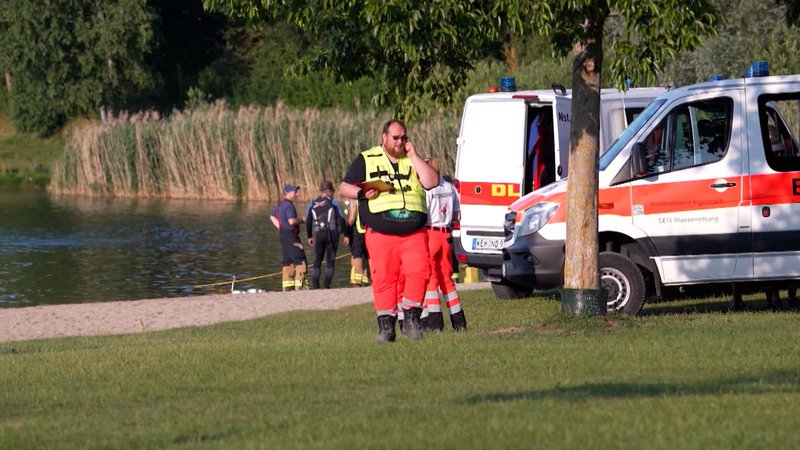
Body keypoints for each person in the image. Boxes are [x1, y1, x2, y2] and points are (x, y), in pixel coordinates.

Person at [339, 119, 439, 342]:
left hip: (414, 232)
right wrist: (363, 194)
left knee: (420, 273)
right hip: (381, 233)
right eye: (395, 138)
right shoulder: (367, 158)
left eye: (403, 137)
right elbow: (344, 187)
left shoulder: (413, 159)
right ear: (384, 137)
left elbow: (432, 182)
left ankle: (411, 320)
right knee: (384, 278)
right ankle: (386, 328)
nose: (400, 142)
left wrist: (414, 155)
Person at [420, 162, 467, 332]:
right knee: (447, 279)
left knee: (431, 280)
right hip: (446, 235)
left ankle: (435, 323)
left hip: (430, 233)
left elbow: (422, 214)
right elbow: (457, 215)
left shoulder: (427, 189)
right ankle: (459, 322)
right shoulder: (450, 187)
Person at [305, 180, 348, 289]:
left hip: (318, 235)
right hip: (332, 235)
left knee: (317, 260)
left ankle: (315, 286)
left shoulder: (312, 203)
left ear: (321, 191)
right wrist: (346, 234)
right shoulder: (333, 202)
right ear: (329, 191)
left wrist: (309, 236)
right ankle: (326, 286)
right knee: (330, 261)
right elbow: (341, 219)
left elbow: (309, 220)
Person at [270, 185, 307, 291]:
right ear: (288, 193)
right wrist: (302, 220)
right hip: (291, 236)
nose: (296, 194)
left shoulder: (280, 205)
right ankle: (300, 287)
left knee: (288, 261)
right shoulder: (289, 205)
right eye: (294, 192)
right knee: (300, 260)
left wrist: (281, 228)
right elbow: (291, 221)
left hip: (283, 236)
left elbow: (272, 217)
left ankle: (287, 288)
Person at [345, 200, 370, 287]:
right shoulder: (369, 197)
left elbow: (351, 218)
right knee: (368, 255)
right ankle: (367, 279)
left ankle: (356, 281)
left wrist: (346, 230)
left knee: (357, 255)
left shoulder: (354, 199)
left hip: (358, 230)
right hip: (370, 230)